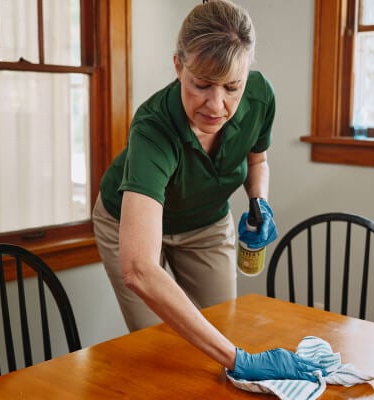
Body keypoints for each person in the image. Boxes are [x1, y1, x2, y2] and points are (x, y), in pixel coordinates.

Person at [92, 0, 320, 382]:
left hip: (206, 222)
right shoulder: (153, 129)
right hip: (127, 225)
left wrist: (258, 200)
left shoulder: (261, 96)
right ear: (179, 65)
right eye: (201, 85)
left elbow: (257, 160)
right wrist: (240, 360)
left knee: (221, 331)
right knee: (161, 346)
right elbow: (139, 269)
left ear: (247, 73)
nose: (217, 106)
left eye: (232, 87)